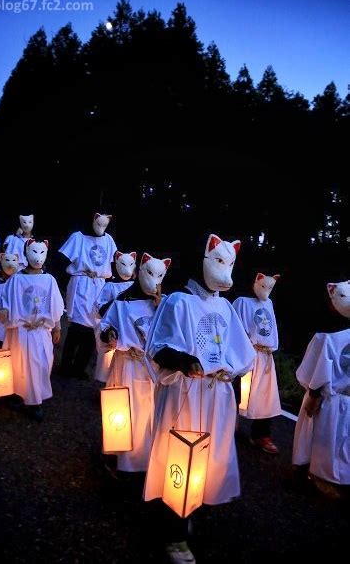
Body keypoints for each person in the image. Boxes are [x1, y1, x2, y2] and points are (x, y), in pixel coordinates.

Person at [143, 233, 255, 564]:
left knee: (211, 457)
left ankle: (197, 511)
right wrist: (184, 362)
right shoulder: (178, 302)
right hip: (185, 393)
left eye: (230, 263)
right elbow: (159, 348)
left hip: (216, 394)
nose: (225, 270)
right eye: (219, 261)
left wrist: (231, 370)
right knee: (179, 456)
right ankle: (173, 532)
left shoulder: (225, 306)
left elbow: (241, 351)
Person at [100, 253, 171, 474]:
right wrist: (110, 334)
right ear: (141, 271)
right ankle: (119, 459)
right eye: (150, 273)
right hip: (127, 365)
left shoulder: (167, 303)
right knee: (124, 413)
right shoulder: (122, 301)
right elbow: (105, 325)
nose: (154, 280)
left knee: (150, 415)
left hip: (153, 369)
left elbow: (173, 333)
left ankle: (148, 461)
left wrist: (162, 307)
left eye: (160, 275)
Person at [0, 239, 64, 421]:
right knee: (19, 363)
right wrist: (3, 310)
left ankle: (35, 397)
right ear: (26, 253)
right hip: (20, 330)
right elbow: (5, 300)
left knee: (41, 363)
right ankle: (24, 398)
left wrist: (57, 326)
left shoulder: (49, 280)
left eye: (42, 252)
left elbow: (56, 305)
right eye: (34, 252)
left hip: (41, 330)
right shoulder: (17, 279)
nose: (37, 257)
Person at [292, 279, 350, 488]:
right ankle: (323, 476)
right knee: (332, 440)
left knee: (325, 438)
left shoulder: (327, 336)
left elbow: (314, 370)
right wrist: (315, 393)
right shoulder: (326, 336)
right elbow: (318, 369)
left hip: (333, 398)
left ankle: (319, 475)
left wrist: (314, 393)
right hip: (334, 398)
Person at [58, 213, 117, 378]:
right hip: (82, 283)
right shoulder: (79, 237)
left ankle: (79, 367)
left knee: (94, 327)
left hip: (99, 286)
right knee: (77, 326)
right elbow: (62, 259)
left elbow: (114, 262)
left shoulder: (108, 240)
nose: (101, 229)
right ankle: (65, 366)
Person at [232, 272, 282, 453]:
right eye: (264, 285)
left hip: (265, 354)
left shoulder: (268, 303)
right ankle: (229, 428)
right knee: (237, 392)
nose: (266, 291)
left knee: (265, 396)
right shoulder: (242, 302)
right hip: (247, 352)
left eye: (270, 287)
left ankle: (261, 434)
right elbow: (235, 327)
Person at [93, 251, 136, 383]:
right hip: (114, 328)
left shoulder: (135, 286)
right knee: (108, 364)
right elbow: (99, 307)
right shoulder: (110, 286)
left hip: (130, 329)